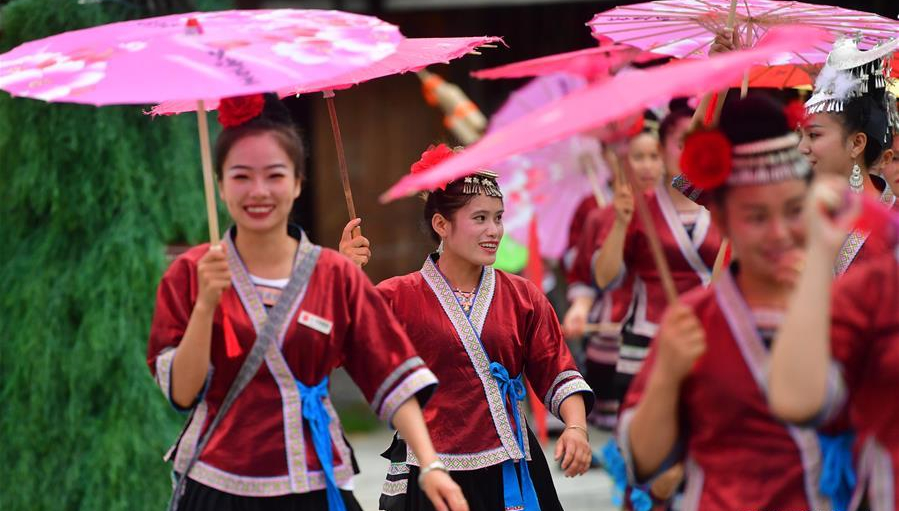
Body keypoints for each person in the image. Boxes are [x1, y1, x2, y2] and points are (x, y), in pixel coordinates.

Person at [147, 94, 465, 511]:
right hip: (217, 483)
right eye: (241, 176)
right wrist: (206, 304)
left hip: (314, 478)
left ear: (297, 182)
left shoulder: (334, 275)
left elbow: (390, 372)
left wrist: (430, 464)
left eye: (274, 175)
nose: (259, 191)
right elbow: (181, 393)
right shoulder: (191, 274)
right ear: (220, 184)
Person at [344, 144, 594, 511]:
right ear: (441, 225)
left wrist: (576, 427)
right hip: (429, 465)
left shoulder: (522, 296)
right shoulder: (397, 297)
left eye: (499, 218)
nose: (494, 231)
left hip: (510, 462)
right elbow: (337, 343)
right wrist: (345, 276)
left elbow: (557, 369)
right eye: (480, 219)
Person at [622, 94, 832, 511]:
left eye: (794, 210)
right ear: (721, 220)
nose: (779, 233)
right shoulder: (694, 321)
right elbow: (643, 463)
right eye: (757, 217)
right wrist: (668, 374)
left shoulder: (846, 308)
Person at [562, 111, 667, 430]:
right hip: (612, 334)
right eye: (638, 157)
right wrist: (580, 308)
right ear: (618, 161)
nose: (647, 166)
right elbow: (584, 274)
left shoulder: (682, 211)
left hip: (668, 327)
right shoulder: (600, 216)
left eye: (654, 156)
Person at [800, 36, 899, 276]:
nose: (801, 147)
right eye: (799, 135)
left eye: (814, 135)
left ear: (856, 143)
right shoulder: (796, 212)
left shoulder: (892, 225)